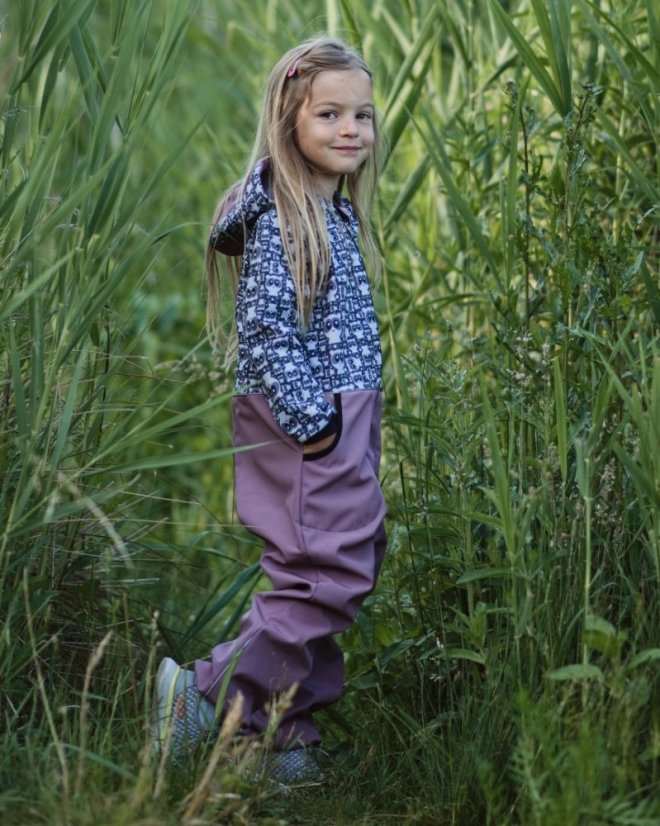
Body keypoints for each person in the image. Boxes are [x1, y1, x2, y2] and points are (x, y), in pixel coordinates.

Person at [152, 35, 387, 785]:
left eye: (363, 115)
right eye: (330, 114)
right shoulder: (285, 218)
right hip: (306, 422)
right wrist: (316, 423)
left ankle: (276, 730)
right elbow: (266, 329)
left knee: (344, 562)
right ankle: (207, 697)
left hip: (337, 416)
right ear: (290, 118)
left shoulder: (333, 213)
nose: (352, 129)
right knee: (323, 574)